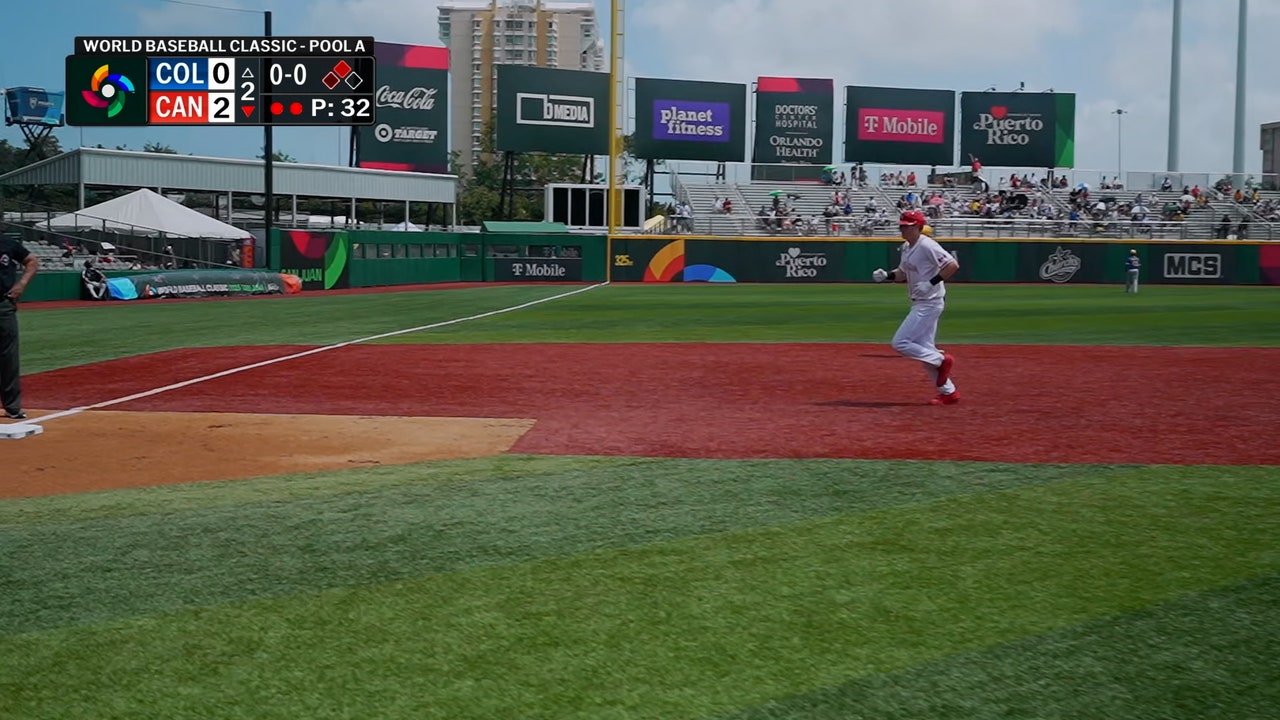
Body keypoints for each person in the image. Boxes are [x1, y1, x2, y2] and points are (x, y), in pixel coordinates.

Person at [873, 210, 961, 405]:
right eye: (901, 225)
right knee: (924, 349)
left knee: (901, 343)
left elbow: (952, 265)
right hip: (920, 301)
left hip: (930, 302)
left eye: (907, 225)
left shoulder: (928, 245)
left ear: (917, 227)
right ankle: (949, 392)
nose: (902, 228)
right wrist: (887, 276)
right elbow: (903, 273)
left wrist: (931, 282)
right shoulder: (906, 247)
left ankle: (941, 360)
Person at [1, 234, 40, 419]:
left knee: (8, 358)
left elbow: (32, 261)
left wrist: (22, 284)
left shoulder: (7, 243)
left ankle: (12, 407)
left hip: (3, 305)